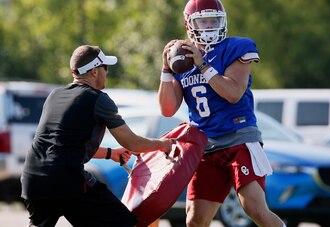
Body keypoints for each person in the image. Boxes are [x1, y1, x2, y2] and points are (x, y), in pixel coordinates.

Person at [158, 0, 286, 227]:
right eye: (203, 20)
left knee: (255, 208)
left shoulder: (236, 47)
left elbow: (234, 93)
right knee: (195, 220)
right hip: (205, 146)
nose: (209, 25)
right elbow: (167, 109)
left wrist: (202, 64)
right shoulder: (182, 58)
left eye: (214, 20)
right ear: (190, 25)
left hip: (238, 138)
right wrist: (167, 70)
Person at [21, 44, 175, 227]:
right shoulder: (98, 99)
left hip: (34, 180)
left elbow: (65, 146)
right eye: (105, 67)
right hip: (67, 181)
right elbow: (132, 142)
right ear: (94, 71)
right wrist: (163, 144)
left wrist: (111, 153)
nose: (106, 73)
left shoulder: (55, 95)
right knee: (126, 224)